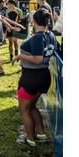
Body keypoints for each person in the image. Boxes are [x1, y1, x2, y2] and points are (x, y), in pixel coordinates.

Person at [12, 8, 56, 147]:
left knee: (24, 109)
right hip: (43, 76)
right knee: (32, 107)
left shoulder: (38, 37)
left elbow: (37, 59)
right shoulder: (50, 35)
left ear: (35, 21)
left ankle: (30, 139)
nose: (30, 19)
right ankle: (41, 133)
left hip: (32, 77)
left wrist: (20, 56)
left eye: (31, 17)